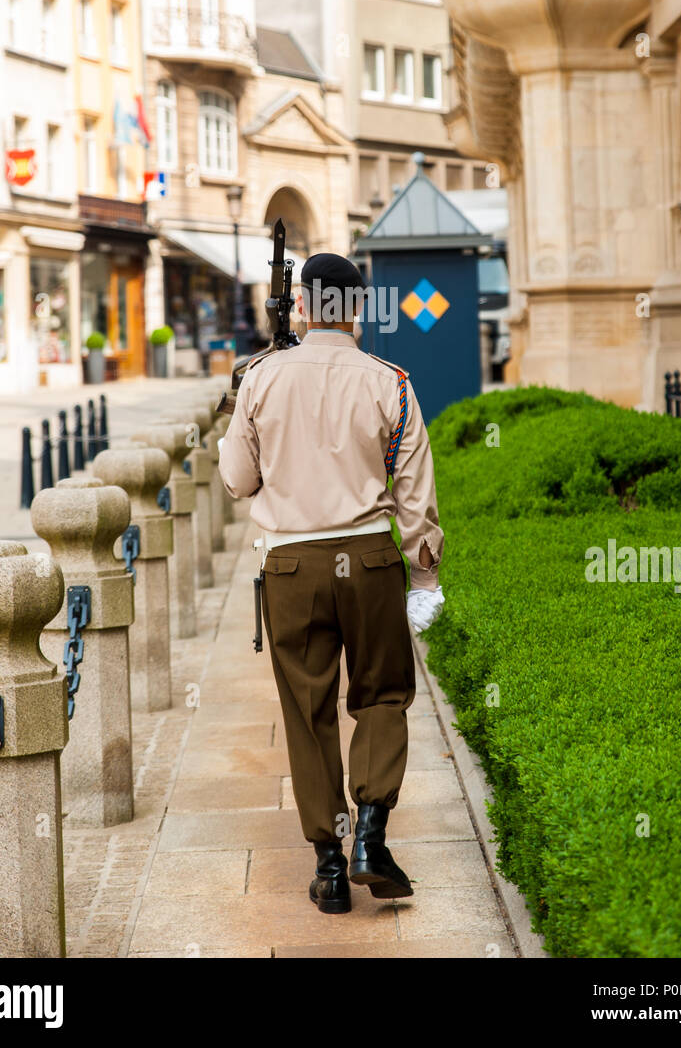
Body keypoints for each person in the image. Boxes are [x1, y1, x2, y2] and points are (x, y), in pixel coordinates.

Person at [218, 252, 445, 915]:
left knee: (307, 710)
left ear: (305, 308)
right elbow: (415, 496)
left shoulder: (260, 379)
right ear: (359, 309)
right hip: (371, 560)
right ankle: (371, 835)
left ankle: (327, 865)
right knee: (382, 694)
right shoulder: (393, 383)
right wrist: (425, 578)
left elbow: (237, 481)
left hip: (292, 565)